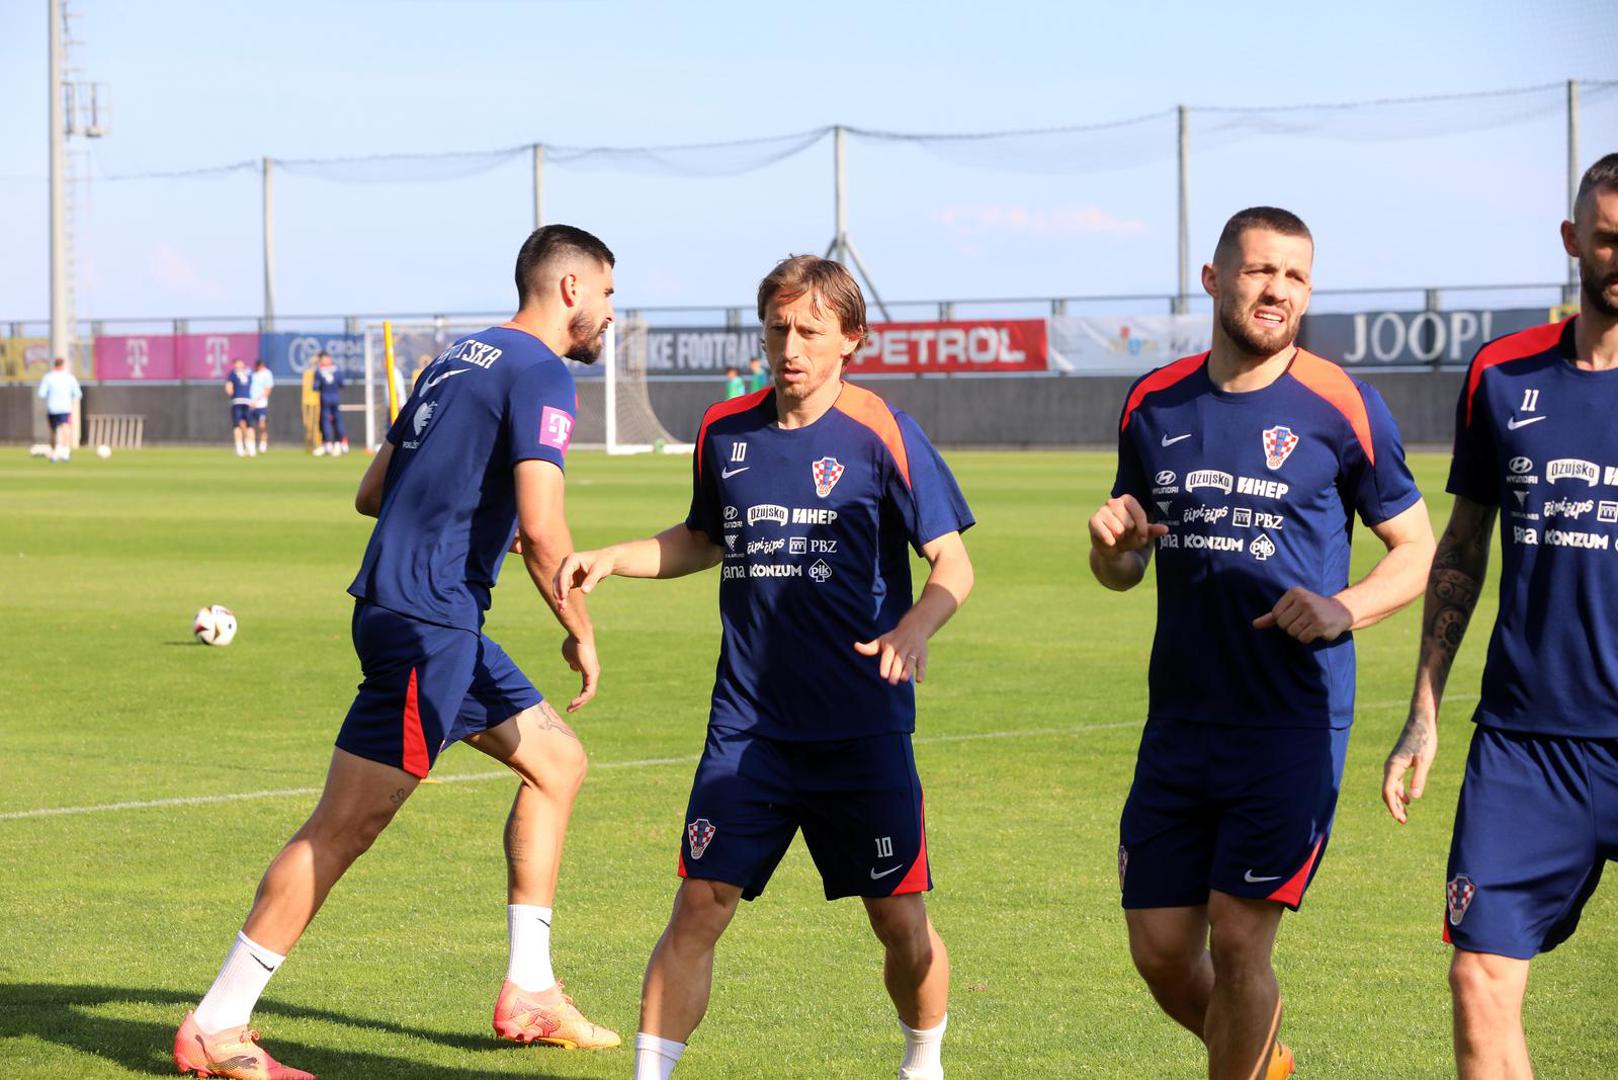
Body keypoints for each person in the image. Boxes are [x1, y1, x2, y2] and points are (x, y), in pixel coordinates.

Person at [173, 224, 623, 1080]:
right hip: (428, 627)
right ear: (570, 289)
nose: (609, 313)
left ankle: (529, 991)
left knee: (557, 764)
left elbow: (370, 491)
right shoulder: (539, 371)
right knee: (343, 827)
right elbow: (542, 528)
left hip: (413, 613)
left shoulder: (455, 359)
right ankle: (217, 1025)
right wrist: (581, 627)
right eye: (606, 293)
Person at [556, 255, 975, 1080]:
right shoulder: (725, 430)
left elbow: (952, 562)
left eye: (811, 331)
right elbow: (703, 539)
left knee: (899, 921)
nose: (790, 346)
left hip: (861, 727)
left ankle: (922, 1061)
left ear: (851, 339)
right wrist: (619, 555)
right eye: (778, 327)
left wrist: (919, 625)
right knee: (699, 905)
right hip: (749, 731)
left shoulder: (885, 431)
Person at [1090, 207, 1434, 1080]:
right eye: (1259, 271)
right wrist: (1112, 554)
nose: (1277, 290)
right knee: (1162, 949)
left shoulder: (1344, 404)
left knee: (1241, 939)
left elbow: (1419, 549)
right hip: (1180, 720)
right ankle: (1264, 1062)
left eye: (1295, 276)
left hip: (1290, 720)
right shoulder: (1153, 403)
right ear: (1215, 280)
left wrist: (1345, 608)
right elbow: (1126, 568)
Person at [1382, 153, 1618, 1079]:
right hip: (1529, 746)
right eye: (1606, 239)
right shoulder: (1502, 376)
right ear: (1573, 243)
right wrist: (1424, 715)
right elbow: (1461, 554)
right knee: (1478, 979)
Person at [37, 356, 82, 463]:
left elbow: (41, 394)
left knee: (53, 431)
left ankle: (53, 454)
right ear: (63, 365)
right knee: (65, 428)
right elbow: (78, 393)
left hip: (52, 408)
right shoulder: (69, 377)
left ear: (54, 365)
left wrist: (51, 394)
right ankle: (65, 454)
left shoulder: (48, 377)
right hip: (65, 407)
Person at [312, 352, 347, 455]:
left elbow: (315, 387)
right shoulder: (337, 370)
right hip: (335, 398)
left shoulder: (319, 371)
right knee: (337, 421)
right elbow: (342, 384)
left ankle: (330, 444)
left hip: (325, 399)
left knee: (326, 421)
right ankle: (341, 443)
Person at [224, 359, 256, 457]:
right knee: (249, 425)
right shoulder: (250, 373)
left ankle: (240, 448)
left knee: (237, 425)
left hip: (237, 401)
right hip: (248, 401)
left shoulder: (233, 374)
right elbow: (254, 387)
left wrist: (232, 393)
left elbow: (229, 389)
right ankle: (251, 448)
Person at [249, 359, 275, 453]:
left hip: (261, 404)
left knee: (262, 425)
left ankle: (263, 444)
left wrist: (257, 400)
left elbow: (268, 389)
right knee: (250, 426)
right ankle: (250, 445)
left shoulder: (267, 374)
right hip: (251, 403)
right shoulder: (253, 375)